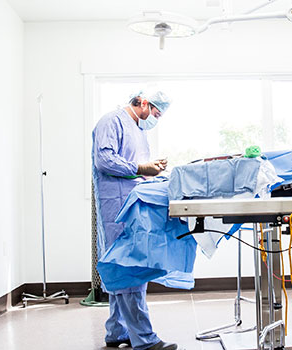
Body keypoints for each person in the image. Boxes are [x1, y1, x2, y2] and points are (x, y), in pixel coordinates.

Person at [92, 90, 178, 350]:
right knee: (129, 269)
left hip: (132, 205)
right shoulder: (112, 121)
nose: (155, 119)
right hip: (117, 207)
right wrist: (141, 168)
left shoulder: (139, 131)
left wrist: (153, 169)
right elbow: (104, 160)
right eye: (155, 112)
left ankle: (117, 331)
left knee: (123, 269)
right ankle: (145, 339)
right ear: (142, 102)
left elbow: (135, 167)